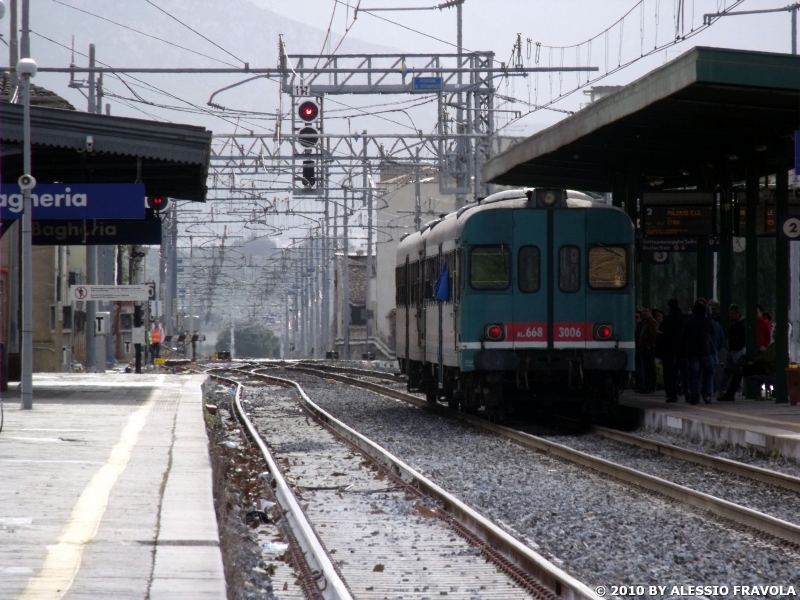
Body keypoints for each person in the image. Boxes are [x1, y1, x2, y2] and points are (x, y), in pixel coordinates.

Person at [680, 302, 714, 405]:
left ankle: (695, 397)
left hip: (692, 353)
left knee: (695, 375)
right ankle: (707, 395)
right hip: (706, 352)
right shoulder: (708, 322)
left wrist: (683, 353)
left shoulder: (688, 323)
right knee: (709, 372)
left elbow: (683, 339)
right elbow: (711, 333)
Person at [658, 298, 687, 403]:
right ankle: (687, 393)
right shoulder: (685, 318)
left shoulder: (667, 319)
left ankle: (672, 395)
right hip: (683, 350)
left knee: (670, 373)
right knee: (685, 372)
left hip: (669, 351)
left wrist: (659, 351)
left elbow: (660, 335)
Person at [719, 304, 746, 396]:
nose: (731, 316)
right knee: (727, 369)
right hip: (731, 350)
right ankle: (723, 387)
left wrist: (737, 346)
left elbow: (742, 338)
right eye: (730, 314)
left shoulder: (741, 324)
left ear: (738, 313)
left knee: (737, 370)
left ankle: (738, 389)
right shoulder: (734, 324)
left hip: (737, 350)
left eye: (732, 313)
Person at [637, 307, 659, 393]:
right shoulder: (646, 322)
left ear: (650, 312)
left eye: (646, 311)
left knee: (650, 368)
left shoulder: (652, 322)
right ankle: (648, 386)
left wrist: (649, 345)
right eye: (643, 311)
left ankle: (651, 386)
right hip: (645, 348)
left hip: (649, 349)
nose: (643, 313)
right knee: (646, 368)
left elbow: (655, 335)